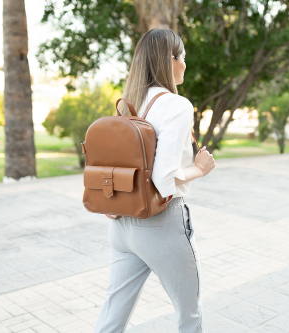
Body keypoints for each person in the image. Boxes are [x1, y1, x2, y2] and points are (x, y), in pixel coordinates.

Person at [93, 29, 215, 333]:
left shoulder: (129, 103)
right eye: (183, 57)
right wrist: (200, 168)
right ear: (170, 60)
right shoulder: (177, 105)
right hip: (162, 226)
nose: (185, 64)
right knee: (190, 315)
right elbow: (164, 179)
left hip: (121, 226)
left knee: (112, 317)